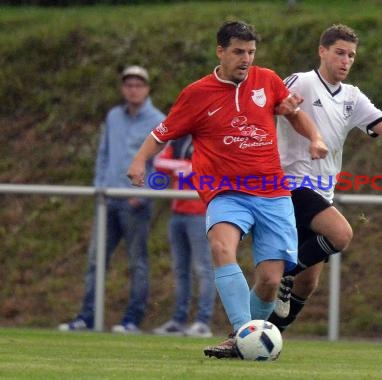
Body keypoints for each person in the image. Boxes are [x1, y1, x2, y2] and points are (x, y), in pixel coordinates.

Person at [126, 20, 328, 358]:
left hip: (272, 191)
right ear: (220, 51)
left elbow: (293, 114)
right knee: (221, 246)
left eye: (250, 52)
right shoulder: (197, 94)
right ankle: (244, 336)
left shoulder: (267, 80)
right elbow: (162, 133)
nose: (245, 59)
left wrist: (316, 137)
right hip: (225, 191)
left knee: (269, 280)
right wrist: (138, 162)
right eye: (238, 52)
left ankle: (239, 338)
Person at [266, 24, 382, 333]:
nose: (346, 61)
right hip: (290, 184)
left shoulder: (352, 96)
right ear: (322, 52)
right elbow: (274, 106)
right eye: (339, 53)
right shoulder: (303, 82)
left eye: (351, 55)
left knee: (307, 283)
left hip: (322, 192)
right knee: (340, 234)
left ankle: (265, 334)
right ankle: (284, 271)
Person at [59, 66, 166, 333]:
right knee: (96, 260)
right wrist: (100, 189)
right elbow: (103, 155)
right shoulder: (114, 117)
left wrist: (143, 195)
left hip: (135, 203)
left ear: (147, 89)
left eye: (138, 84)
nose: (133, 89)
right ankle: (87, 316)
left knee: (137, 262)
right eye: (128, 84)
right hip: (107, 200)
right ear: (122, 88)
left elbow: (162, 167)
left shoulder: (158, 119)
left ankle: (132, 319)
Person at [152, 135, 216, 338]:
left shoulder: (212, 137)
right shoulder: (179, 139)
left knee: (203, 268)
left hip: (201, 212)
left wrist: (188, 168)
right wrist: (183, 165)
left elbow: (205, 168)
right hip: (178, 211)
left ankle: (203, 322)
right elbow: (159, 162)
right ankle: (179, 320)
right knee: (181, 269)